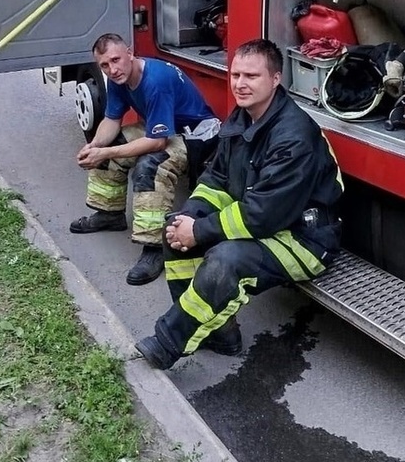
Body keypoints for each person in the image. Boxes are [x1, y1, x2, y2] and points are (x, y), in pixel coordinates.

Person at [135, 39, 344, 369]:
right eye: (235, 75)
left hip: (303, 239)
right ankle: (219, 334)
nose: (240, 84)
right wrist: (190, 217)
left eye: (251, 76)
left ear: (276, 79)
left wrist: (200, 231)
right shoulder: (242, 118)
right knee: (174, 228)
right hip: (266, 222)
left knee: (226, 258)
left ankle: (168, 343)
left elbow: (264, 215)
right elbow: (216, 178)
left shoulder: (293, 136)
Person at [71, 33, 218, 286]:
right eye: (104, 65)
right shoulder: (119, 79)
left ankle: (154, 247)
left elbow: (157, 143)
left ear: (129, 53)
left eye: (116, 60)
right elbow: (112, 121)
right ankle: (109, 214)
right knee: (111, 143)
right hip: (163, 128)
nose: (112, 69)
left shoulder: (156, 80)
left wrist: (105, 152)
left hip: (196, 134)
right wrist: (95, 146)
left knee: (151, 166)